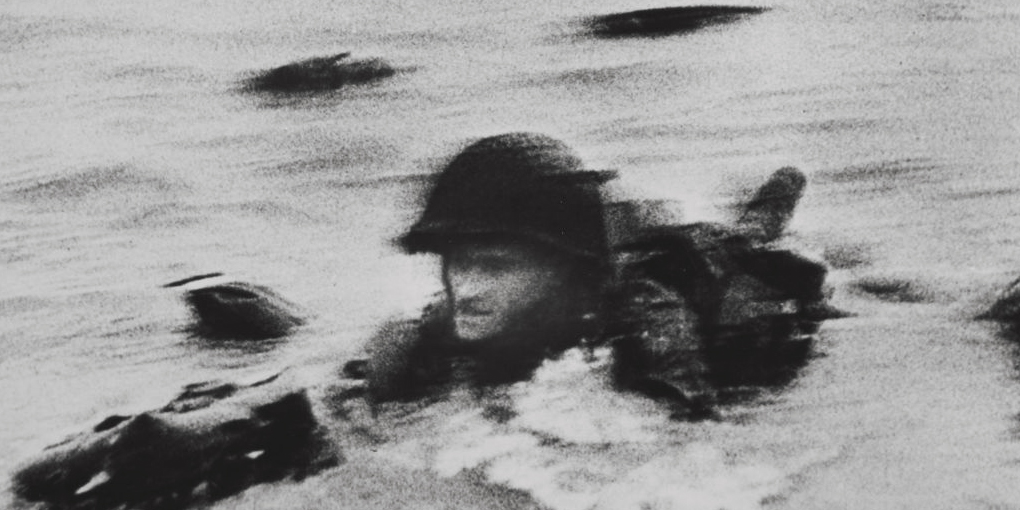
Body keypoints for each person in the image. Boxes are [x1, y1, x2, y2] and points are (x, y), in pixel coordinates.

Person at [341, 132, 832, 419]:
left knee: (748, 246)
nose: (465, 287)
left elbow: (686, 439)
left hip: (726, 299)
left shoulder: (645, 317)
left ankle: (774, 203)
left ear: (563, 269)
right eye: (457, 261)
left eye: (496, 265)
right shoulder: (445, 320)